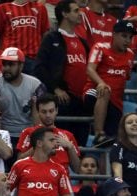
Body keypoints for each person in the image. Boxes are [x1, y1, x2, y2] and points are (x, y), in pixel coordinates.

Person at [34, 0, 90, 145]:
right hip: (64, 101)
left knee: (81, 146)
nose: (80, 13)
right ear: (65, 14)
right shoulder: (51, 39)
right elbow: (39, 67)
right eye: (76, 10)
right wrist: (56, 89)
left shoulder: (83, 42)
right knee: (61, 146)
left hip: (82, 102)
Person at [83, 21, 136, 145]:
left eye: (130, 37)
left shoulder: (130, 55)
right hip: (94, 93)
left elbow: (125, 78)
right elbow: (90, 69)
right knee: (105, 90)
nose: (127, 40)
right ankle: (98, 134)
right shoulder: (100, 47)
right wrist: (101, 83)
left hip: (115, 103)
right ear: (114, 34)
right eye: (124, 36)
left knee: (111, 145)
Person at [0, 47, 46, 142]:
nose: (6, 68)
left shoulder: (36, 85)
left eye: (11, 64)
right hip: (2, 134)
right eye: (4, 64)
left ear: (21, 66)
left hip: (29, 135)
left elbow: (41, 117)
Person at [16, 93, 81, 174]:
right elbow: (19, 161)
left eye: (51, 111)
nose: (48, 115)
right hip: (36, 178)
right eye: (44, 111)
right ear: (38, 112)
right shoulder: (28, 132)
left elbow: (78, 169)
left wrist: (70, 147)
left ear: (56, 110)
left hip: (61, 182)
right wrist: (39, 146)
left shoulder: (67, 135)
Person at [0, 0, 48, 74]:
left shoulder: (40, 8)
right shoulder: (2, 8)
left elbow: (44, 33)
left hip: (33, 58)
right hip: (10, 58)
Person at [109, 113, 137, 196]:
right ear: (123, 128)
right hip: (125, 194)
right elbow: (117, 173)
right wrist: (121, 194)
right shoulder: (118, 147)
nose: (134, 124)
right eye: (130, 122)